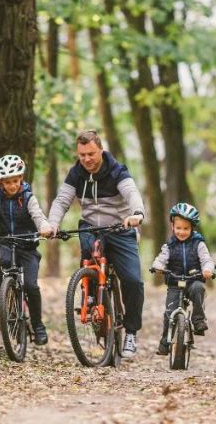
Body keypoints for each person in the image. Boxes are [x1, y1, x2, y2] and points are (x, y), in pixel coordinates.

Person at [47, 130, 146, 358]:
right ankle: (90, 299)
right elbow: (62, 200)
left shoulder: (117, 171)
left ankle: (131, 332)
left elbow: (132, 194)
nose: (87, 159)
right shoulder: (76, 174)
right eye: (82, 155)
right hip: (91, 228)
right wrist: (52, 223)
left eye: (91, 153)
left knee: (132, 280)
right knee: (87, 252)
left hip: (120, 228)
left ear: (100, 150)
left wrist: (137, 214)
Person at [0, 154, 53, 345]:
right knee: (5, 262)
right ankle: (0, 297)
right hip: (7, 242)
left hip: (28, 246)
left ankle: (38, 326)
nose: (12, 185)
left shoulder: (28, 197)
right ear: (1, 183)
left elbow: (38, 216)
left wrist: (44, 227)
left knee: (31, 286)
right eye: (7, 182)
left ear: (21, 179)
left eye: (15, 181)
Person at [150, 203, 215, 356]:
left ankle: (198, 320)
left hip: (193, 279)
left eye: (186, 228)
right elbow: (161, 259)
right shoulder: (169, 245)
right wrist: (157, 266)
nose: (182, 232)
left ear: (192, 228)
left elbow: (207, 259)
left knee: (199, 289)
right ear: (172, 226)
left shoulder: (198, 243)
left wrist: (207, 269)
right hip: (174, 281)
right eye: (178, 228)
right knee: (169, 312)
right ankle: (165, 341)